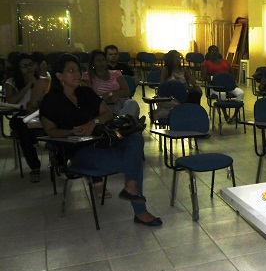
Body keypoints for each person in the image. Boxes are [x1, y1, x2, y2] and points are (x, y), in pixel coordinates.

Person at [40, 54, 162, 226]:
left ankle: (131, 186)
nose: (77, 74)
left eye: (78, 70)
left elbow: (107, 113)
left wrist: (93, 122)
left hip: (103, 141)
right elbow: (50, 131)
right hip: (79, 150)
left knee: (135, 138)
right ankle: (140, 209)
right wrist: (71, 132)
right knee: (132, 161)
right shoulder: (50, 100)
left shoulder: (86, 92)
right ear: (59, 75)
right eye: (71, 71)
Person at [4, 53, 45, 182]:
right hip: (20, 115)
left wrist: (37, 83)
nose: (28, 68)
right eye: (24, 66)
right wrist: (28, 85)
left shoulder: (42, 80)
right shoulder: (11, 82)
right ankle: (35, 167)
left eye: (30, 64)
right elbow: (12, 101)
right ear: (18, 68)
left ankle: (60, 162)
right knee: (24, 130)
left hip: (39, 113)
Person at [82, 49, 140, 118]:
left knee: (132, 103)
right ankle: (125, 121)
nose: (102, 63)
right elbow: (89, 96)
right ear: (92, 63)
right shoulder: (87, 76)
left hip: (120, 102)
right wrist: (102, 98)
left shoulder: (116, 73)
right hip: (103, 105)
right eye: (98, 61)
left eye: (103, 60)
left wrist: (111, 93)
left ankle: (121, 120)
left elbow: (127, 92)